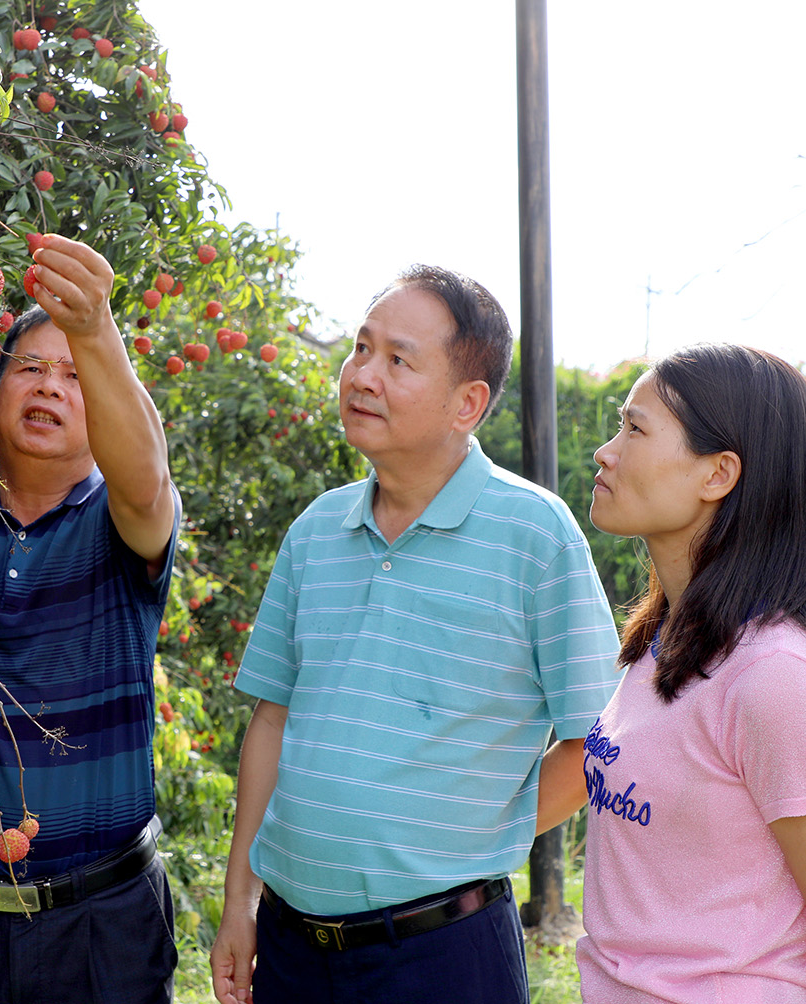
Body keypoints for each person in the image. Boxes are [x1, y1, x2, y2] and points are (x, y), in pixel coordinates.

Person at [210, 265, 621, 1004]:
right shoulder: (314, 532)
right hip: (291, 947)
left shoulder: (534, 534)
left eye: (397, 360)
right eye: (360, 349)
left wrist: (473, 834)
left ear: (467, 403)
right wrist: (240, 900)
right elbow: (271, 719)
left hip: (440, 955)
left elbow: (597, 736)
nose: (362, 375)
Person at [0, 235, 181, 1003]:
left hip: (101, 928)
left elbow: (146, 482)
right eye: (32, 368)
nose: (51, 386)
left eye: (77, 377)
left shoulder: (123, 525)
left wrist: (96, 328)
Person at [577, 343, 806, 1002]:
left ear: (716, 474)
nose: (604, 451)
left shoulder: (770, 674)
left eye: (634, 429)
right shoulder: (661, 641)